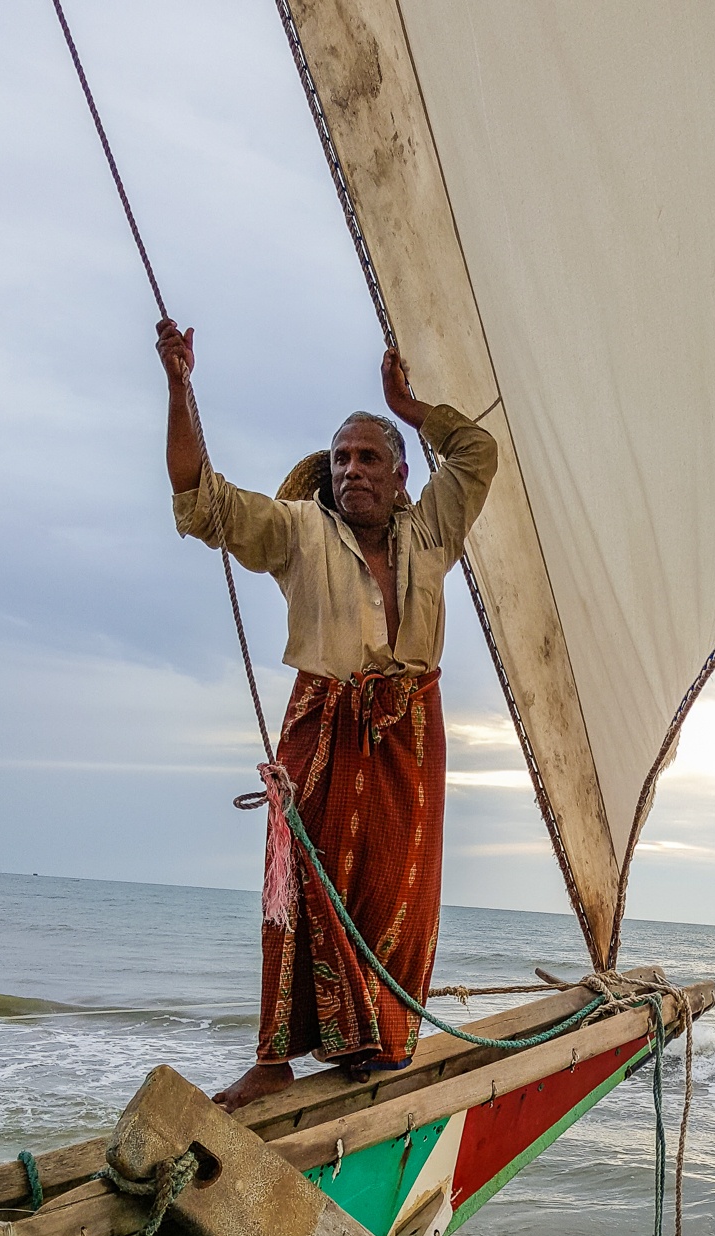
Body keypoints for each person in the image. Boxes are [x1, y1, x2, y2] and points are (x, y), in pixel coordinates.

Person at [155, 319, 497, 1111]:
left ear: (400, 476)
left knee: (398, 892)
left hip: (410, 730)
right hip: (322, 725)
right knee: (300, 891)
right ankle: (274, 1060)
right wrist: (179, 387)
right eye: (341, 459)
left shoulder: (431, 530)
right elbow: (201, 498)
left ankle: (374, 1049)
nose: (351, 471)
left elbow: (476, 453)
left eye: (368, 458)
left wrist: (408, 408)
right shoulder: (298, 532)